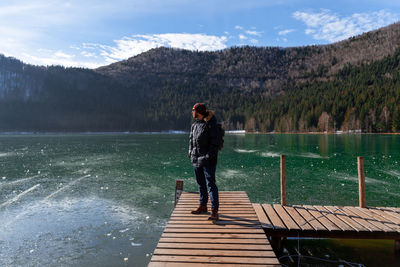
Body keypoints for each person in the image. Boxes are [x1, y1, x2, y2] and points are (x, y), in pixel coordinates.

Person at [188, 103, 220, 220]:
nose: (192, 113)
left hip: (208, 160)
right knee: (201, 184)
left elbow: (215, 143)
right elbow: (191, 139)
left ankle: (214, 211)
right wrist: (190, 152)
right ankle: (203, 206)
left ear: (199, 112)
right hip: (196, 159)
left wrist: (208, 157)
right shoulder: (195, 124)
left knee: (210, 184)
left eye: (194, 110)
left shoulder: (211, 124)